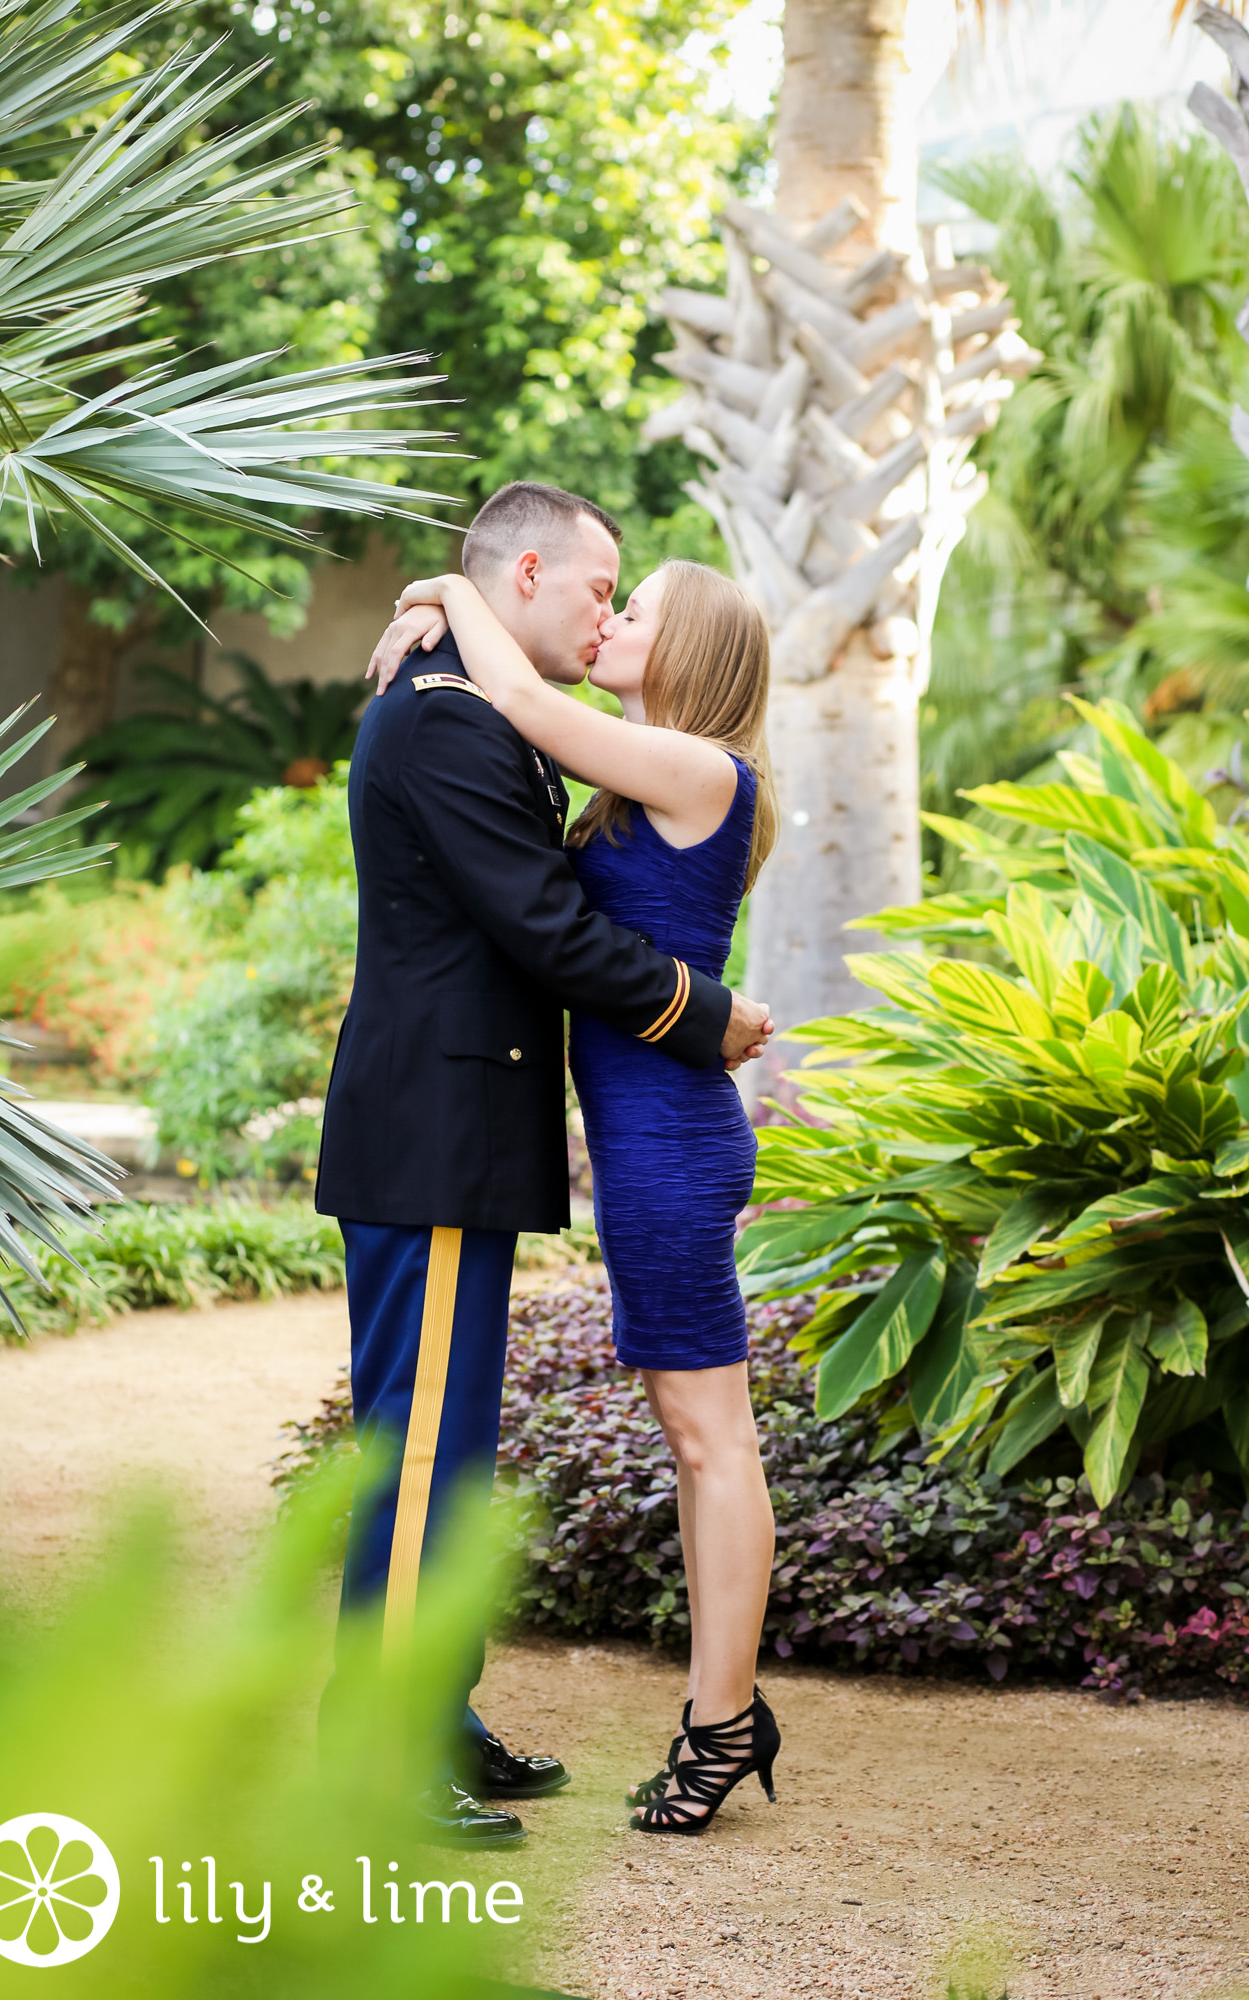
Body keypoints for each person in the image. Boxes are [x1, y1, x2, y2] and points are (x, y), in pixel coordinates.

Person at [315, 481, 773, 1850]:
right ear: (528, 570)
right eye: (597, 589)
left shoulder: (503, 712)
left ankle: (426, 1713)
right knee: (417, 1456)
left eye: (629, 605)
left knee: (445, 1451)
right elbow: (545, 929)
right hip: (439, 1139)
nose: (604, 613)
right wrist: (709, 1018)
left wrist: (442, 599)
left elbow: (554, 872)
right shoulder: (453, 715)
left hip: (487, 1137)